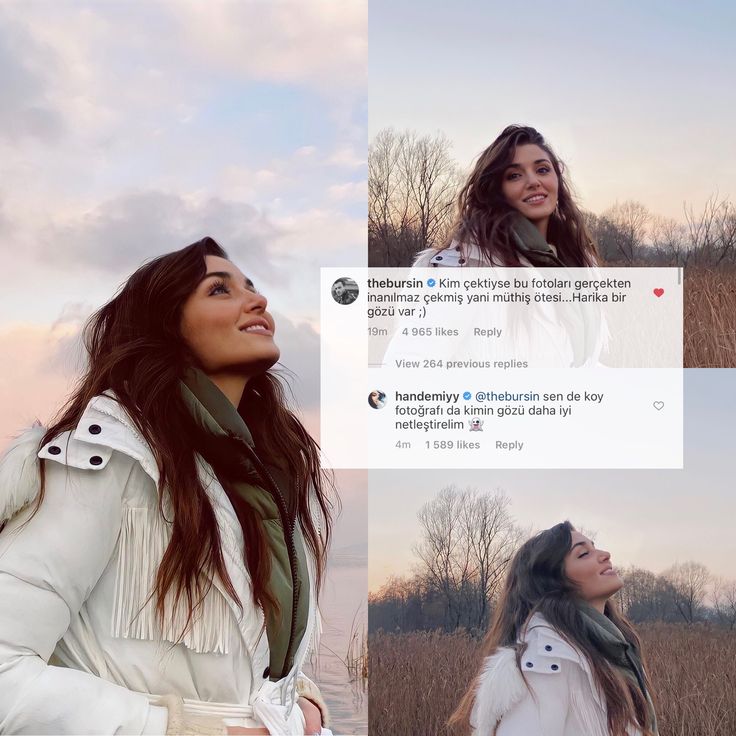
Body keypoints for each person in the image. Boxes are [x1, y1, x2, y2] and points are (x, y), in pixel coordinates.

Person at [0, 237, 335, 735]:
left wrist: (298, 698)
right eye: (219, 290)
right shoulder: (103, 461)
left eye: (252, 286)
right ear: (167, 327)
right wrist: (184, 730)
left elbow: (241, 656)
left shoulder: (273, 472)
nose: (256, 299)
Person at [449, 522, 658, 736]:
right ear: (554, 581)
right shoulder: (545, 664)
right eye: (583, 554)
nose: (605, 555)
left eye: (595, 547)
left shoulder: (611, 651)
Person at [414, 125, 600, 268]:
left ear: (557, 179)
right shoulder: (446, 269)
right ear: (496, 189)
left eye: (542, 170)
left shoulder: (584, 263)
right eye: (514, 175)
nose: (533, 181)